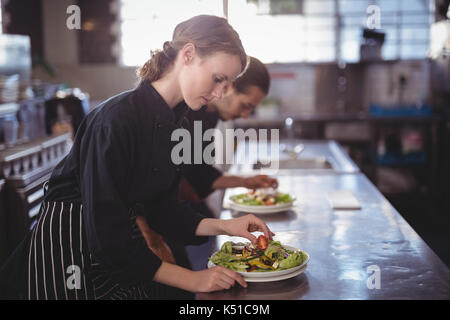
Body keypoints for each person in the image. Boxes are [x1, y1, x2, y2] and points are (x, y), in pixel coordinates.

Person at [0, 15, 274, 300]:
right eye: (218, 79)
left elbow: (163, 211)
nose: (218, 93)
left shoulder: (175, 124)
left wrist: (227, 226)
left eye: (226, 84)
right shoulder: (115, 120)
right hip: (69, 259)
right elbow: (107, 238)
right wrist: (193, 280)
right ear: (189, 54)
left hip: (117, 261)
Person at [134, 56, 278, 275]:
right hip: (138, 219)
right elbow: (135, 179)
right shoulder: (176, 110)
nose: (245, 115)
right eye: (245, 105)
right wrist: (151, 237)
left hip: (164, 211)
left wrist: (246, 181)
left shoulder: (209, 115)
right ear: (228, 87)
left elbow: (197, 170)